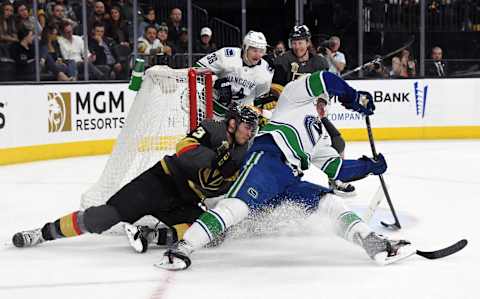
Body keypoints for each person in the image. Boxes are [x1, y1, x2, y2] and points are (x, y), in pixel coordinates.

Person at [158, 71, 416, 270]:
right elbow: (326, 78)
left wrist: (368, 166)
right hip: (267, 160)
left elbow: (336, 169)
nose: (322, 107)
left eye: (326, 105)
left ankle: (372, 243)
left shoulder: (321, 136)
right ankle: (183, 248)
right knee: (236, 207)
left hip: (290, 178)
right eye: (322, 101)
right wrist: (353, 96)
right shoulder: (295, 97)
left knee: (331, 202)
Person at [12, 104, 260, 252]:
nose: (250, 133)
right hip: (160, 181)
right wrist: (213, 159)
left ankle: (150, 236)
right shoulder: (212, 129)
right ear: (231, 122)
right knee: (103, 217)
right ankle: (42, 233)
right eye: (247, 126)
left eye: (253, 128)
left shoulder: (242, 155)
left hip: (186, 199)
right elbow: (183, 148)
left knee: (213, 232)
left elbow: (221, 186)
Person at [195, 30, 274, 116]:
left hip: (240, 116)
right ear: (245, 47)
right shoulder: (226, 55)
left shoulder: (265, 71)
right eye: (254, 50)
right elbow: (197, 69)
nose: (258, 54)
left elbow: (259, 96)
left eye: (261, 51)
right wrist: (215, 81)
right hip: (213, 107)